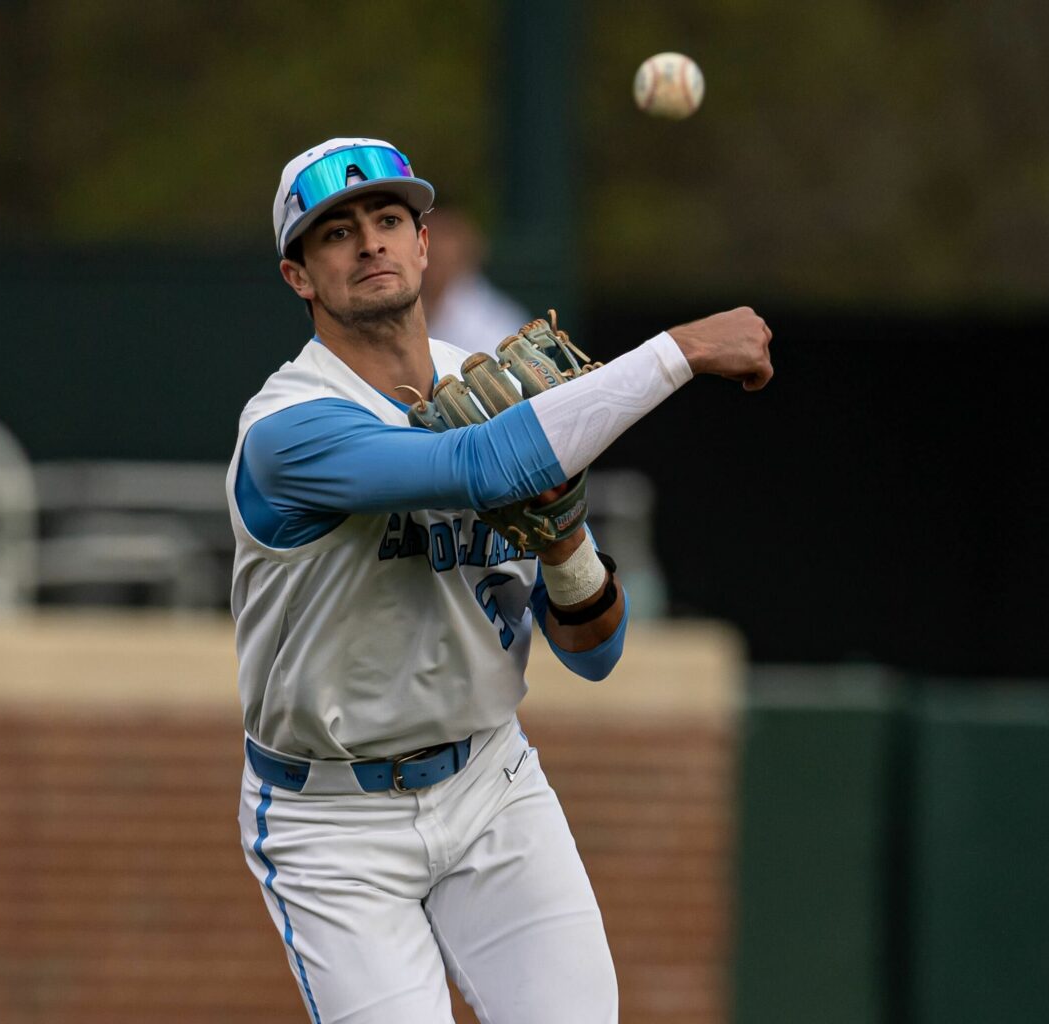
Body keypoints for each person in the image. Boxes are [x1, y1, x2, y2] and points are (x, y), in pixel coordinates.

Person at [229, 136, 773, 1023]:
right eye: (335, 233)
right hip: (331, 819)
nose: (369, 243)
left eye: (389, 219)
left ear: (424, 243)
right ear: (299, 276)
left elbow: (595, 655)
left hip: (490, 782)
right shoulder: (289, 427)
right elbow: (480, 467)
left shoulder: (492, 388)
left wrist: (563, 542)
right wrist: (677, 351)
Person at [419, 205, 531, 353]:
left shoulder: (500, 324)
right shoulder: (404, 310)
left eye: (447, 234)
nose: (435, 247)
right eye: (426, 234)